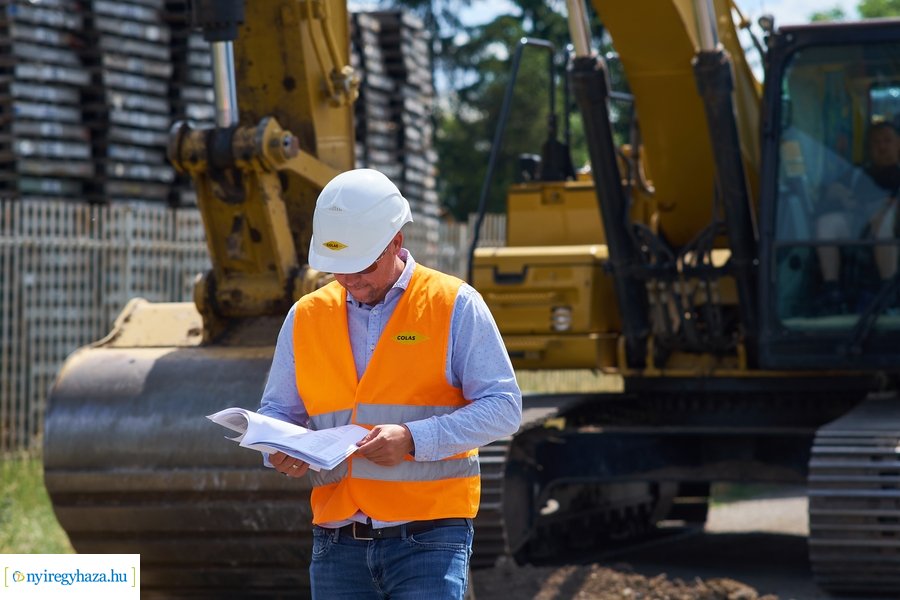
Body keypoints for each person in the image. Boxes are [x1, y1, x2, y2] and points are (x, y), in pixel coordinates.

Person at [258, 168, 522, 599]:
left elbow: (504, 407)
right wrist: (279, 450)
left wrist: (414, 438)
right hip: (335, 539)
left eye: (362, 266)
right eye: (337, 269)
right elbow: (278, 412)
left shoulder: (453, 304)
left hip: (430, 539)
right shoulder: (305, 316)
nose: (351, 280)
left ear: (396, 243)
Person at [815, 120, 900, 313]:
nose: (882, 146)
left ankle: (890, 290)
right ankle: (832, 289)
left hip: (891, 229)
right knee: (827, 223)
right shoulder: (856, 174)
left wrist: (885, 210)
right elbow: (827, 193)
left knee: (885, 222)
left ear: (899, 144)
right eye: (876, 142)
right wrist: (838, 193)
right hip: (859, 227)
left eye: (887, 141)